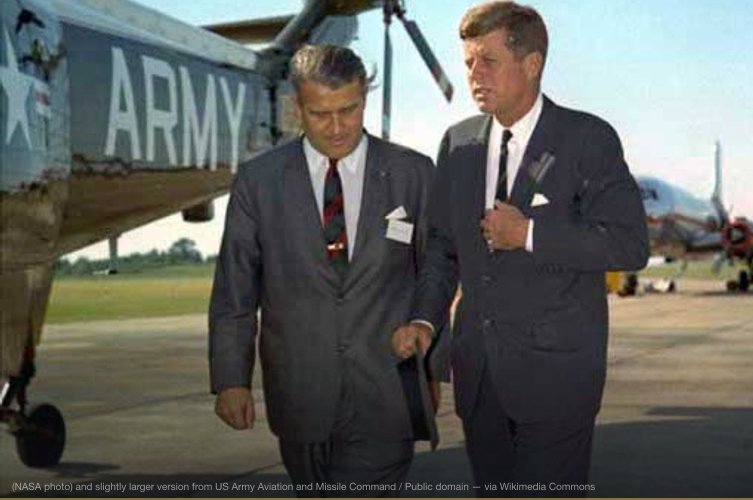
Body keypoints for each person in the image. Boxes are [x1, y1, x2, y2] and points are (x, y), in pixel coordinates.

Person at [392, 1, 649, 496]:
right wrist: (425, 320)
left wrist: (529, 234)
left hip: (558, 379)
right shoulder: (458, 143)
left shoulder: (587, 138)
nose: (473, 74)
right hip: (479, 377)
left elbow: (629, 243)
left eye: (488, 61)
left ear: (531, 64)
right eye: (468, 62)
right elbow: (443, 249)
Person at [209, 44, 444, 497]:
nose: (337, 128)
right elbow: (235, 290)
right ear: (296, 109)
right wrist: (231, 380)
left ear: (364, 101)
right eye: (320, 114)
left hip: (386, 394)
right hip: (299, 398)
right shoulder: (258, 182)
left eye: (349, 110)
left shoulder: (413, 173)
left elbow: (436, 267)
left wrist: (432, 361)